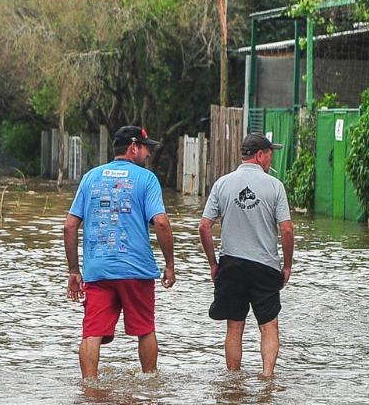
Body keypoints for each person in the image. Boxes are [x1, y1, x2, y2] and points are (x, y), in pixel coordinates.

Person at [63, 126, 176, 378]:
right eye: (146, 148)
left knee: (92, 332)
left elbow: (69, 226)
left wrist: (73, 270)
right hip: (136, 271)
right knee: (145, 329)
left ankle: (89, 387)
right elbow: (161, 222)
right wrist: (169, 264)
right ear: (133, 147)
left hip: (98, 271)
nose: (147, 154)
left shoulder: (90, 177)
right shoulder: (147, 179)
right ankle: (149, 385)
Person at [199, 132, 295, 378]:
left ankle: (233, 381)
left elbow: (204, 226)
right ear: (260, 155)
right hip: (265, 266)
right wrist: (287, 266)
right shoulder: (275, 186)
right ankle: (267, 378)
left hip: (231, 264)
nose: (270, 162)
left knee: (234, 326)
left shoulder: (222, 183)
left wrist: (213, 263)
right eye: (270, 155)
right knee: (269, 325)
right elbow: (286, 228)